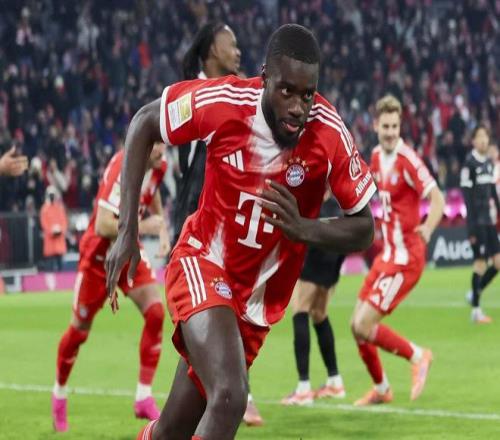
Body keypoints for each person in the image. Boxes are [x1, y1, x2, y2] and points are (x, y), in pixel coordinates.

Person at [105, 24, 376, 440]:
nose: (298, 107)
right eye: (287, 91)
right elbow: (144, 122)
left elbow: (364, 227)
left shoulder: (329, 132)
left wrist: (305, 229)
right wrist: (127, 231)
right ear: (265, 77)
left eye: (307, 95)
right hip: (203, 262)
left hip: (255, 306)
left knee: (173, 430)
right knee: (231, 395)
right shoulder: (225, 102)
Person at [176, 21, 262, 428]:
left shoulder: (232, 92)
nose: (239, 51)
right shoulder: (197, 95)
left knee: (217, 321)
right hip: (202, 226)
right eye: (232, 43)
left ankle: (224, 392)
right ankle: (232, 391)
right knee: (216, 315)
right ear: (212, 48)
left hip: (227, 225)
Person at [51, 142, 170, 432]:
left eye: (163, 143)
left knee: (156, 311)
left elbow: (152, 194)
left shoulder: (158, 166)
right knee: (78, 332)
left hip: (127, 251)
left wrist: (163, 228)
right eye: (156, 144)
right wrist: (146, 227)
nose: (162, 151)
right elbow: (103, 225)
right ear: (143, 141)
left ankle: (143, 397)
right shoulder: (122, 166)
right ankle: (59, 394)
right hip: (98, 259)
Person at [351, 95, 445, 406]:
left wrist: (428, 228)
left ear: (400, 126)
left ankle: (419, 356)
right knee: (356, 327)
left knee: (364, 325)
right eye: (386, 126)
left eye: (395, 126)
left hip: (406, 260)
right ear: (376, 126)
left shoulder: (408, 160)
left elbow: (438, 198)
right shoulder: (377, 156)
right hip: (387, 256)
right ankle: (382, 389)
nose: (391, 132)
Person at [281, 192, 346, 406]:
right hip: (336, 240)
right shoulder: (337, 200)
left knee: (300, 310)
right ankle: (335, 381)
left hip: (318, 237)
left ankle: (303, 388)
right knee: (319, 313)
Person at [461, 126, 500, 323]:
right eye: (480, 137)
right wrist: (471, 228)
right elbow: (467, 200)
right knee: (480, 264)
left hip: (489, 221)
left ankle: (474, 293)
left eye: (486, 136)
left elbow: (493, 192)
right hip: (477, 223)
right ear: (474, 141)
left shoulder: (489, 163)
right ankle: (476, 311)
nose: (484, 140)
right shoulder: (469, 165)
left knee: (498, 263)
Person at [40, 185, 68, 271]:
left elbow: (64, 222)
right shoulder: (44, 209)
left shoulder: (60, 208)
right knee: (50, 269)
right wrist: (52, 231)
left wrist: (60, 230)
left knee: (61, 269)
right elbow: (44, 224)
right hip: (50, 244)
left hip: (59, 244)